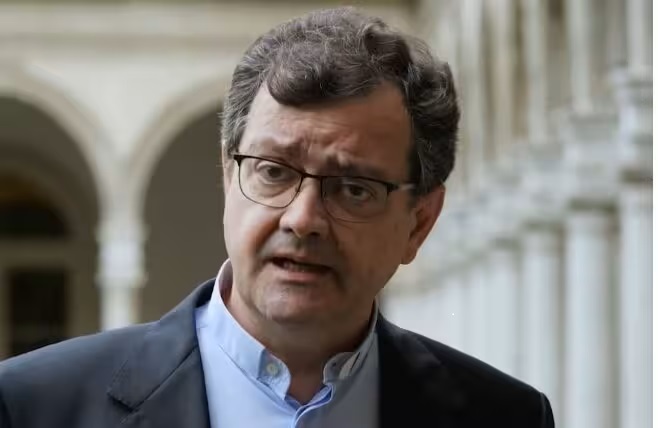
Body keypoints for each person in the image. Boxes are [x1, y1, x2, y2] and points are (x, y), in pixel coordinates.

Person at [0, 7, 554, 428]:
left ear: (419, 223)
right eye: (273, 171)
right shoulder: (32, 406)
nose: (303, 218)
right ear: (228, 177)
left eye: (353, 189)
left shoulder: (505, 418)